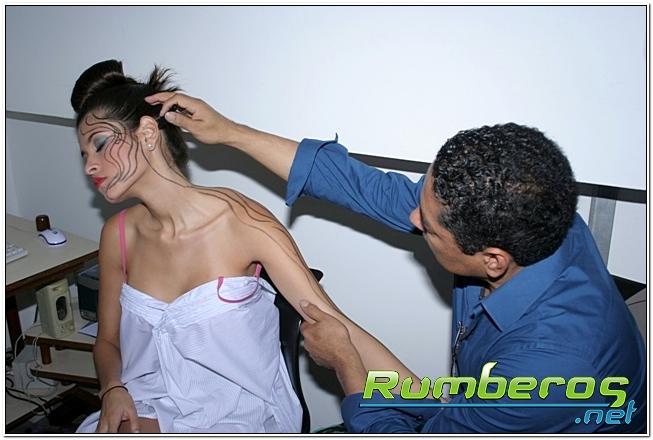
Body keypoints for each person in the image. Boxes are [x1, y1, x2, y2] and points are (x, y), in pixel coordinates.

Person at [143, 91, 646, 433]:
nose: (411, 218)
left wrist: (346, 365)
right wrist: (231, 132)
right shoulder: (534, 214)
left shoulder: (546, 372)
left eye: (429, 226)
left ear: (492, 259)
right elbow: (367, 188)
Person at [71, 60, 420, 434]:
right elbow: (107, 341)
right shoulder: (118, 235)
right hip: (145, 407)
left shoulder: (244, 222)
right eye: (84, 155)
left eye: (100, 144)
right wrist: (112, 388)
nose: (90, 166)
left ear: (147, 133)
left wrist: (442, 408)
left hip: (237, 418)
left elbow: (339, 327)